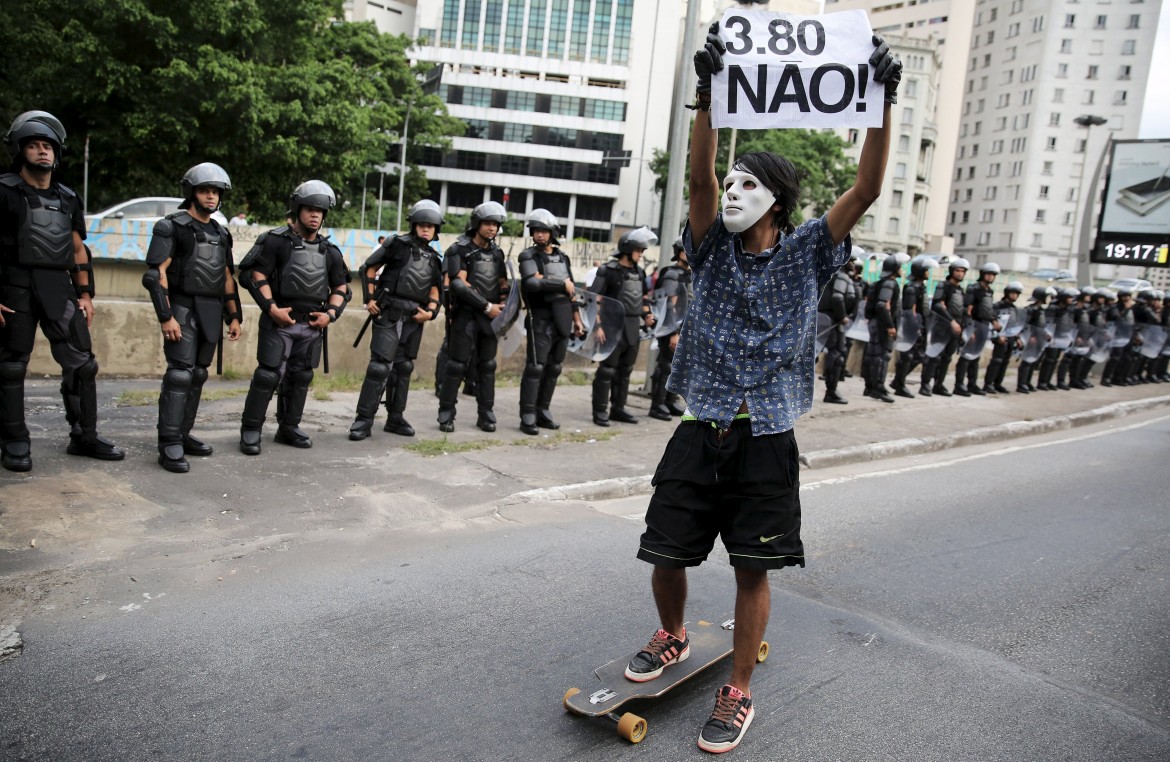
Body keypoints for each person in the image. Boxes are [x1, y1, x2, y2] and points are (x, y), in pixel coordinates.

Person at [625, 26, 899, 754]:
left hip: (768, 434)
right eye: (733, 181)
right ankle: (673, 635)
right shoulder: (710, 244)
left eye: (750, 184)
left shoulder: (810, 250)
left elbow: (867, 187)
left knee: (754, 566)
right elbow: (697, 178)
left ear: (778, 202)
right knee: (667, 552)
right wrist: (708, 97)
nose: (733, 191)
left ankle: (739, 689)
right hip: (702, 424)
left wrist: (883, 101)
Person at [0, 110, 124, 472]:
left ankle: (85, 435)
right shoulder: (4, 191)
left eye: (48, 147)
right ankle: (14, 441)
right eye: (35, 146)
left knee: (84, 365)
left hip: (59, 289)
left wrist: (86, 295)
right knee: (10, 367)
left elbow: (77, 249)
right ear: (21, 150)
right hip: (15, 287)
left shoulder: (69, 198)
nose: (43, 152)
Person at [142, 163, 242, 473]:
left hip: (211, 310)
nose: (211, 197)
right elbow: (155, 274)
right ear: (191, 193)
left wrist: (234, 316)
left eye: (215, 192)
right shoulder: (172, 227)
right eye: (205, 190)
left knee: (198, 374)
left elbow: (227, 277)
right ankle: (169, 442)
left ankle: (183, 435)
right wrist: (166, 316)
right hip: (182, 309)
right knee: (180, 374)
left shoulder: (221, 233)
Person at [237, 180, 350, 454]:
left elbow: (342, 288)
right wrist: (272, 308)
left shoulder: (330, 251)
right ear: (298, 209)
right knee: (268, 375)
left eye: (320, 211)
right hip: (280, 322)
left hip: (311, 325)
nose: (315, 215)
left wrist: (330, 315)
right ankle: (251, 430)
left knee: (301, 377)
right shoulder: (276, 241)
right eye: (310, 209)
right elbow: (254, 274)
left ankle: (289, 427)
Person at [349, 200, 443, 439]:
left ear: (435, 230)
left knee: (404, 368)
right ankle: (363, 420)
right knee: (379, 367)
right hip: (389, 311)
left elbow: (435, 291)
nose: (425, 229)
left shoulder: (434, 258)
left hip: (414, 317)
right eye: (422, 224)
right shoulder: (396, 244)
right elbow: (368, 268)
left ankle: (395, 417)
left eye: (430, 226)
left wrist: (430, 313)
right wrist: (369, 299)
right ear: (413, 224)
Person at [438, 201, 509, 432]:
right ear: (477, 223)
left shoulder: (497, 253)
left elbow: (502, 283)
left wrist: (506, 304)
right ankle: (446, 413)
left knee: (487, 366)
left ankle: (486, 413)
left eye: (496, 224)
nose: (492, 228)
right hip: (466, 316)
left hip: (491, 318)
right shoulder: (460, 249)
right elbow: (458, 284)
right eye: (488, 223)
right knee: (457, 365)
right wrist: (487, 306)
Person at [517, 208, 583, 434]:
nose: (539, 235)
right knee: (535, 367)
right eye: (535, 231)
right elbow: (532, 284)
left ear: (552, 232)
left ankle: (543, 410)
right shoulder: (528, 256)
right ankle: (527, 414)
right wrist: (560, 284)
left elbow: (572, 289)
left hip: (563, 318)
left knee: (554, 368)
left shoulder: (562, 258)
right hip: (540, 318)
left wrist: (577, 319)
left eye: (544, 231)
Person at [590, 227, 657, 426]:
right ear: (626, 249)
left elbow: (643, 298)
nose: (641, 254)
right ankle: (600, 410)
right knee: (607, 371)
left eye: (642, 251)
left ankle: (618, 408)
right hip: (611, 327)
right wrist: (598, 327)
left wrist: (647, 315)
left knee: (625, 370)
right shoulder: (608, 271)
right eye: (638, 250)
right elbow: (594, 300)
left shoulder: (639, 272)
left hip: (632, 327)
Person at [648, 239, 692, 420]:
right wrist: (674, 332)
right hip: (671, 329)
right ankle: (657, 405)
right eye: (687, 249)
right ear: (679, 252)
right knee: (665, 366)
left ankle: (669, 401)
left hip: (684, 329)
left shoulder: (689, 274)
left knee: (676, 367)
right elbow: (670, 306)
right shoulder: (673, 274)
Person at [890, 255, 937, 398]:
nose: (929, 273)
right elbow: (911, 310)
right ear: (920, 271)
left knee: (917, 356)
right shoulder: (912, 287)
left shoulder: (921, 286)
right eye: (927, 270)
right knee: (908, 356)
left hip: (921, 325)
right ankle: (900, 384)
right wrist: (916, 327)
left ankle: (898, 381)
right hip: (912, 327)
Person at [920, 258, 968, 396]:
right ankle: (925, 384)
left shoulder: (960, 290)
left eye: (962, 271)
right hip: (942, 327)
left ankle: (939, 385)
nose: (960, 274)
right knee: (934, 356)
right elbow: (937, 305)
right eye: (957, 270)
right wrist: (951, 321)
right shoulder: (943, 286)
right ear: (952, 271)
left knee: (947, 358)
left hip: (956, 330)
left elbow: (961, 310)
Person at [953, 262, 1000, 396]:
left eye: (993, 275)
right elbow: (968, 309)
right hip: (973, 324)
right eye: (989, 274)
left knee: (976, 357)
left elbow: (988, 309)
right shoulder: (974, 289)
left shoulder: (989, 291)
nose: (991, 277)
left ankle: (972, 384)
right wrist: (969, 330)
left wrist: (994, 321)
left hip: (984, 326)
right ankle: (959, 384)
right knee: (966, 357)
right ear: (983, 275)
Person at [816, 259, 858, 404]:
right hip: (833, 320)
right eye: (852, 260)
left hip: (824, 318)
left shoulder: (832, 273)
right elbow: (838, 297)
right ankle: (831, 392)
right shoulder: (841, 276)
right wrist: (842, 316)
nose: (854, 263)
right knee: (836, 356)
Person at [862, 255, 902, 403]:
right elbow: (882, 304)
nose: (902, 270)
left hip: (875, 323)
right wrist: (890, 325)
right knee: (882, 357)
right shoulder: (889, 283)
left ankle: (870, 387)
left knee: (872, 355)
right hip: (882, 325)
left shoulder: (879, 283)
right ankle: (877, 388)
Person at [981, 280, 1024, 394]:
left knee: (1005, 362)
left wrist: (1018, 339)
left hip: (1010, 339)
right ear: (1007, 293)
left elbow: (1014, 326)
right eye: (1012, 293)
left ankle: (998, 384)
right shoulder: (997, 306)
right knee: (996, 361)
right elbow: (992, 322)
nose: (1014, 295)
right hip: (1000, 338)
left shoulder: (1014, 309)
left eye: (1017, 293)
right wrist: (996, 337)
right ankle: (988, 384)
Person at [1016, 286, 1054, 393]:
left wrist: (1046, 334)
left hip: (1039, 340)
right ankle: (1021, 384)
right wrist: (1027, 337)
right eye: (1046, 296)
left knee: (1033, 361)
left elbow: (1041, 325)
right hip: (1031, 339)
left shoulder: (1041, 310)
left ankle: (1027, 382)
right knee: (1027, 362)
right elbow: (1024, 325)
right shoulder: (1030, 310)